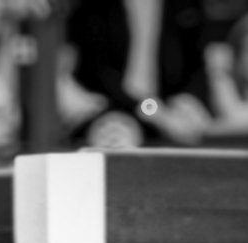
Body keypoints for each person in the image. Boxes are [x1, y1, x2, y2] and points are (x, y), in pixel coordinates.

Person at [67, 0, 214, 146]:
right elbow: (99, 74)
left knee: (191, 128)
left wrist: (188, 99)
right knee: (116, 133)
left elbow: (196, 62)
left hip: (166, 107)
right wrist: (154, 111)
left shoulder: (184, 5)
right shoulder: (96, 7)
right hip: (111, 106)